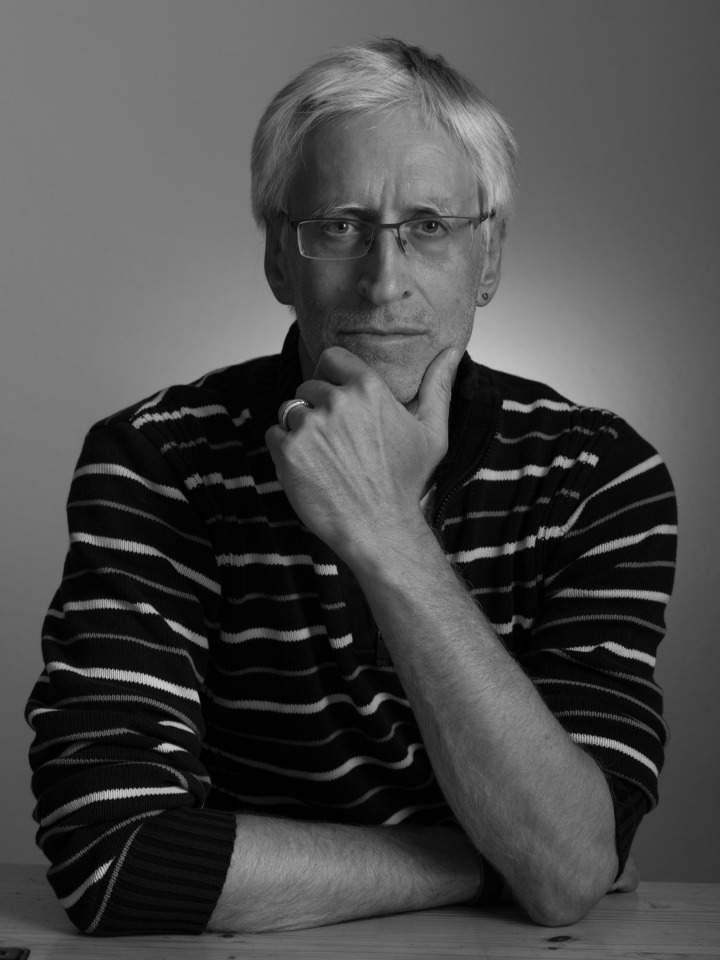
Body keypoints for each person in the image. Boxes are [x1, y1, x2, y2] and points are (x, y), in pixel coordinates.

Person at [25, 38, 676, 937]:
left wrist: (386, 532)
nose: (383, 281)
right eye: (339, 226)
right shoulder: (156, 459)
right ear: (278, 258)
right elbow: (115, 860)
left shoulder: (598, 475)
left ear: (488, 257)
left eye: (430, 226)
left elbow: (564, 875)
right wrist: (491, 862)